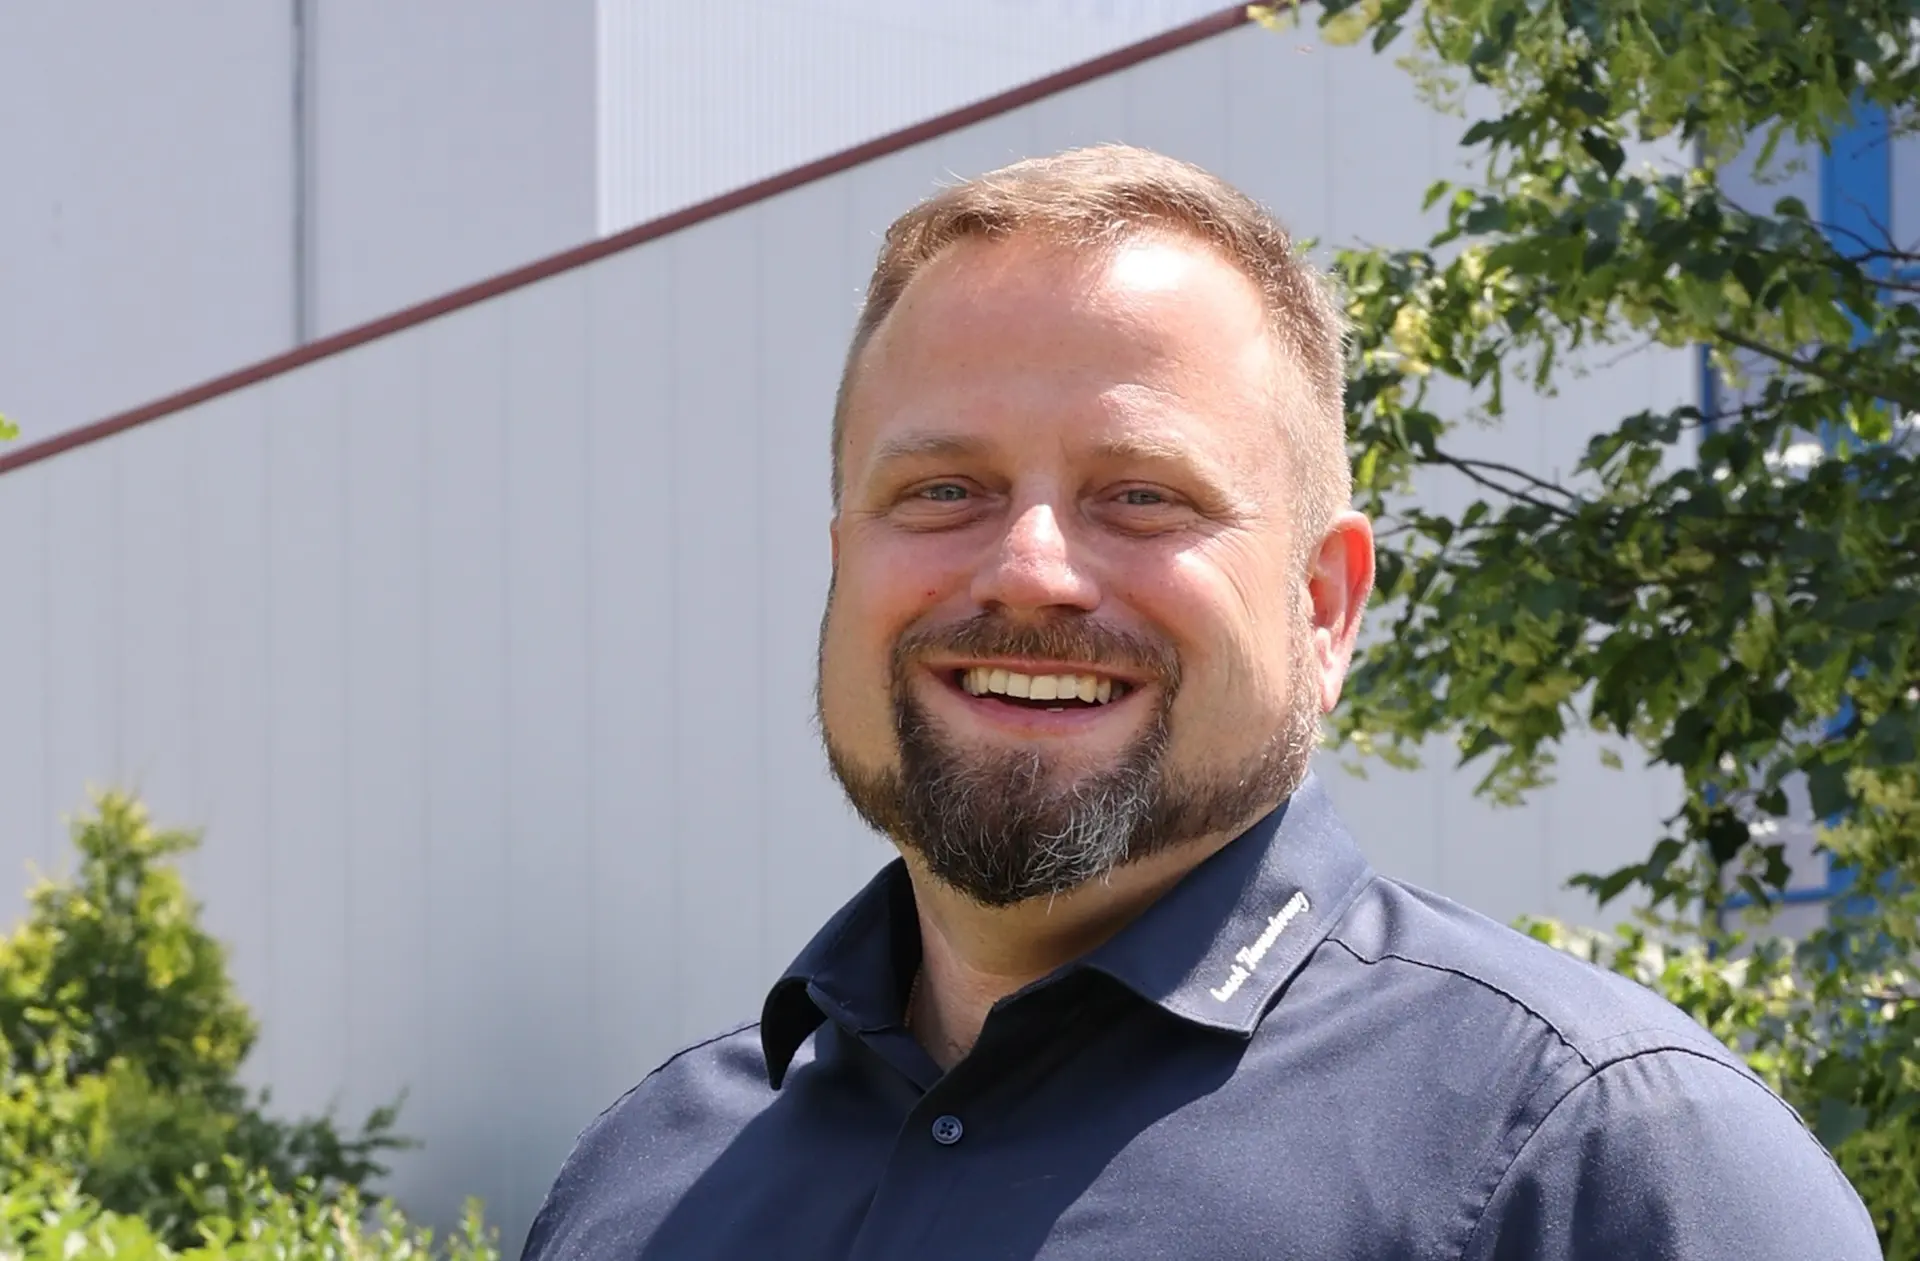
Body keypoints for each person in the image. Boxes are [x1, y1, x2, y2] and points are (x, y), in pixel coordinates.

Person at [520, 145, 1881, 1260]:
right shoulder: (645, 1180)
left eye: (1141, 495)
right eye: (942, 491)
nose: (1029, 568)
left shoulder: (1598, 1169)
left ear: (1325, 607)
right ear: (843, 562)